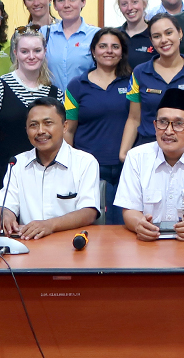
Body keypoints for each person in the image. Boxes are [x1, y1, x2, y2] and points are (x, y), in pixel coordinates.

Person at [114, 89, 184, 242]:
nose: (168, 131)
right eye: (163, 122)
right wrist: (139, 225)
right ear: (155, 126)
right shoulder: (136, 157)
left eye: (179, 124)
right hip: (149, 244)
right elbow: (129, 208)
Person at [0, 98, 100, 240]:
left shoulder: (85, 162)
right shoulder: (17, 163)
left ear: (65, 126)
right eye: (33, 125)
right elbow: (3, 206)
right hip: (28, 243)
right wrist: (5, 216)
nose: (40, 131)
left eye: (48, 123)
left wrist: (50, 225)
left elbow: (89, 212)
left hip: (71, 243)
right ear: (26, 130)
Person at [64, 29, 132, 225]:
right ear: (93, 51)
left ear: (122, 52)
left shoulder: (132, 81)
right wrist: (69, 166)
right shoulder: (76, 85)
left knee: (124, 227)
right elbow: (68, 130)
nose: (109, 51)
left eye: (115, 46)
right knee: (96, 227)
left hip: (126, 168)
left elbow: (136, 119)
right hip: (90, 169)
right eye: (103, 46)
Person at [0, 27, 64, 173]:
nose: (31, 56)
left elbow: (60, 136)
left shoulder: (55, 94)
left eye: (37, 50)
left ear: (45, 52)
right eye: (24, 51)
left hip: (45, 174)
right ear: (15, 53)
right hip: (2, 173)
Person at [121, 14, 184, 151]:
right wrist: (124, 153)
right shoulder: (139, 72)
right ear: (151, 40)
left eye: (169, 33)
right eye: (157, 36)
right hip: (149, 149)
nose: (164, 40)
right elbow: (133, 119)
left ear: (180, 33)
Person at [45, 0, 100, 91]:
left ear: (83, 2)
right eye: (61, 0)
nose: (66, 5)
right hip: (52, 100)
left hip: (84, 99)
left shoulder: (96, 35)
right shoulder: (45, 33)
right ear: (54, 5)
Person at [116, 0, 154, 69]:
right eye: (124, 4)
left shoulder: (155, 35)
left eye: (134, 2)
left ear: (144, 3)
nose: (129, 8)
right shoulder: (114, 35)